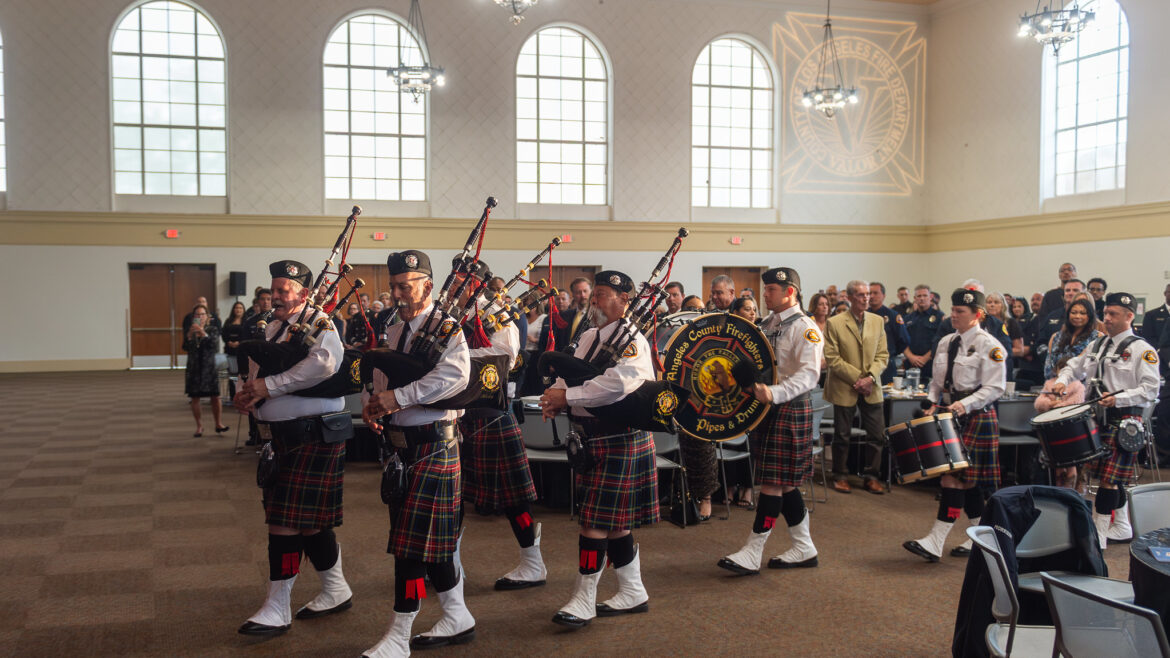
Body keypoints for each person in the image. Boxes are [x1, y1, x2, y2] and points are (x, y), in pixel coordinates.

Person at [361, 250, 474, 655]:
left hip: (434, 445)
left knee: (410, 546)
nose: (396, 293)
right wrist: (372, 401)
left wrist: (398, 398)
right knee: (432, 542)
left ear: (427, 286)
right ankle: (458, 614)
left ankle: (398, 636)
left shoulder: (448, 328)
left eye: (404, 286)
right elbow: (382, 373)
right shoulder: (394, 328)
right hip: (401, 449)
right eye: (393, 286)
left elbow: (455, 377)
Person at [233, 260, 353, 637]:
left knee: (284, 521)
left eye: (285, 290)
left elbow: (324, 364)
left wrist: (271, 387)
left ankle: (277, 606)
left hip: (312, 434)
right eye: (274, 289)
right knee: (310, 522)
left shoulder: (320, 323)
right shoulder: (270, 326)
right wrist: (248, 393)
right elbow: (256, 370)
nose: (277, 296)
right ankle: (336, 588)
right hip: (279, 436)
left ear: (304, 293)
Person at [539, 270, 658, 630]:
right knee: (615, 525)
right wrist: (556, 397)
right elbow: (570, 372)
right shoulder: (589, 335)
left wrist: (569, 396)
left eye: (603, 294)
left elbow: (619, 383)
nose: (595, 300)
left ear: (625, 300)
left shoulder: (632, 338)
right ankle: (633, 590)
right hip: (592, 437)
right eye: (596, 294)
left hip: (620, 436)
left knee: (594, 523)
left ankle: (583, 599)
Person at [717, 266, 823, 574]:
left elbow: (809, 375)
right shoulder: (768, 323)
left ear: (790, 291)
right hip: (769, 407)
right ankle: (804, 547)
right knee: (785, 484)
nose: (765, 295)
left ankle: (754, 549)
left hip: (788, 406)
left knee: (774, 485)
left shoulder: (805, 327)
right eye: (765, 290)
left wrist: (773, 393)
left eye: (771, 290)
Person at [453, 260, 547, 592]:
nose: (456, 286)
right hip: (454, 416)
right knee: (453, 498)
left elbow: (505, 354)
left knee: (515, 500)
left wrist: (454, 354)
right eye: (455, 280)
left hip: (490, 414)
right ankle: (450, 567)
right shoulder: (448, 314)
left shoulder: (497, 312)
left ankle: (533, 563)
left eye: (463, 280)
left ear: (477, 283)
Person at [903, 289, 1006, 563]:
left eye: (960, 311)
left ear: (978, 315)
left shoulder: (991, 346)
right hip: (949, 415)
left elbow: (995, 387)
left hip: (976, 416)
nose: (954, 315)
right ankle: (986, 540)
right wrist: (931, 400)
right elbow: (937, 381)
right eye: (953, 309)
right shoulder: (947, 341)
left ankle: (935, 541)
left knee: (953, 478)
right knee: (966, 483)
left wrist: (965, 405)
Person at [1051, 292, 1160, 548]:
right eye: (1106, 313)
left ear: (1129, 316)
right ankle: (1122, 526)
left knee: (1109, 480)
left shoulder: (1142, 350)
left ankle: (1098, 536)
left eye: (1113, 315)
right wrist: (1061, 380)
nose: (1107, 319)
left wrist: (1119, 398)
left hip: (1125, 422)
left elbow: (1151, 389)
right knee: (1106, 476)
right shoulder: (1098, 345)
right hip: (1097, 420)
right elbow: (1073, 366)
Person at [823, 280, 888, 495]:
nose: (866, 298)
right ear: (849, 298)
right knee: (842, 435)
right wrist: (858, 379)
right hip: (845, 386)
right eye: (860, 295)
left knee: (877, 435)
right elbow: (832, 358)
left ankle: (872, 476)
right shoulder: (835, 322)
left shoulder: (878, 321)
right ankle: (840, 475)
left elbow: (883, 355)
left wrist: (869, 378)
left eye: (868, 294)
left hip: (872, 386)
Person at [184, 304, 227, 437]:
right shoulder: (190, 330)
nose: (199, 317)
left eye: (202, 314)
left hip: (208, 367)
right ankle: (199, 426)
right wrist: (190, 335)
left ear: (207, 316)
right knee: (195, 397)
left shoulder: (212, 329)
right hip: (194, 367)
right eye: (197, 315)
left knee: (215, 396)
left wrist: (203, 333)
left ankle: (218, 423)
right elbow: (185, 347)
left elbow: (214, 346)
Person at [868, 281, 910, 384]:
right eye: (869, 293)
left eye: (875, 293)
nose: (872, 296)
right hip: (867, 364)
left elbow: (903, 340)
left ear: (883, 296)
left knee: (887, 397)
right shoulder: (863, 315)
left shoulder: (893, 315)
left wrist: (891, 353)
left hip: (886, 364)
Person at [903, 285, 944, 380]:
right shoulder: (908, 318)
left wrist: (925, 358)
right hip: (911, 364)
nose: (922, 298)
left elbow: (941, 341)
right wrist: (910, 356)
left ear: (930, 297)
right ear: (914, 299)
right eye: (919, 296)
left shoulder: (939, 317)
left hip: (931, 364)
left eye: (925, 295)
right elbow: (902, 340)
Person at [985, 292, 1023, 381]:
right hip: (986, 366)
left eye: (996, 302)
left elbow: (1019, 350)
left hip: (1004, 365)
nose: (992, 305)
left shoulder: (1011, 323)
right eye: (989, 302)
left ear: (1003, 305)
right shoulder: (981, 323)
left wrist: (993, 352)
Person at [221, 301, 248, 376]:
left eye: (240, 308)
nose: (238, 310)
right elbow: (223, 333)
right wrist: (228, 342)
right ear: (233, 309)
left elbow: (247, 335)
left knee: (241, 374)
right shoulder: (228, 320)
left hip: (241, 350)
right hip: (229, 350)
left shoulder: (247, 321)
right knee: (231, 374)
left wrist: (239, 343)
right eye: (236, 308)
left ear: (243, 310)